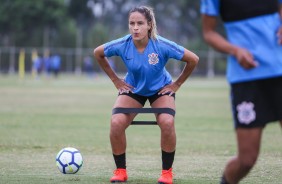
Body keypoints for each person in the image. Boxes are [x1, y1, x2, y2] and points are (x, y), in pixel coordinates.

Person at [94, 5, 199, 184]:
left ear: (149, 25)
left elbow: (193, 59)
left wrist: (176, 85)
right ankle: (120, 171)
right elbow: (98, 53)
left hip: (161, 89)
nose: (135, 27)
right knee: (116, 123)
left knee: (167, 122)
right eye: (132, 23)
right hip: (134, 89)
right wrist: (116, 81)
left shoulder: (162, 45)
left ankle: (166, 173)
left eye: (140, 23)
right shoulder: (123, 44)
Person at [200, 0, 282, 183]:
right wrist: (235, 50)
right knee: (247, 159)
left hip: (280, 70)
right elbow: (209, 33)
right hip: (246, 79)